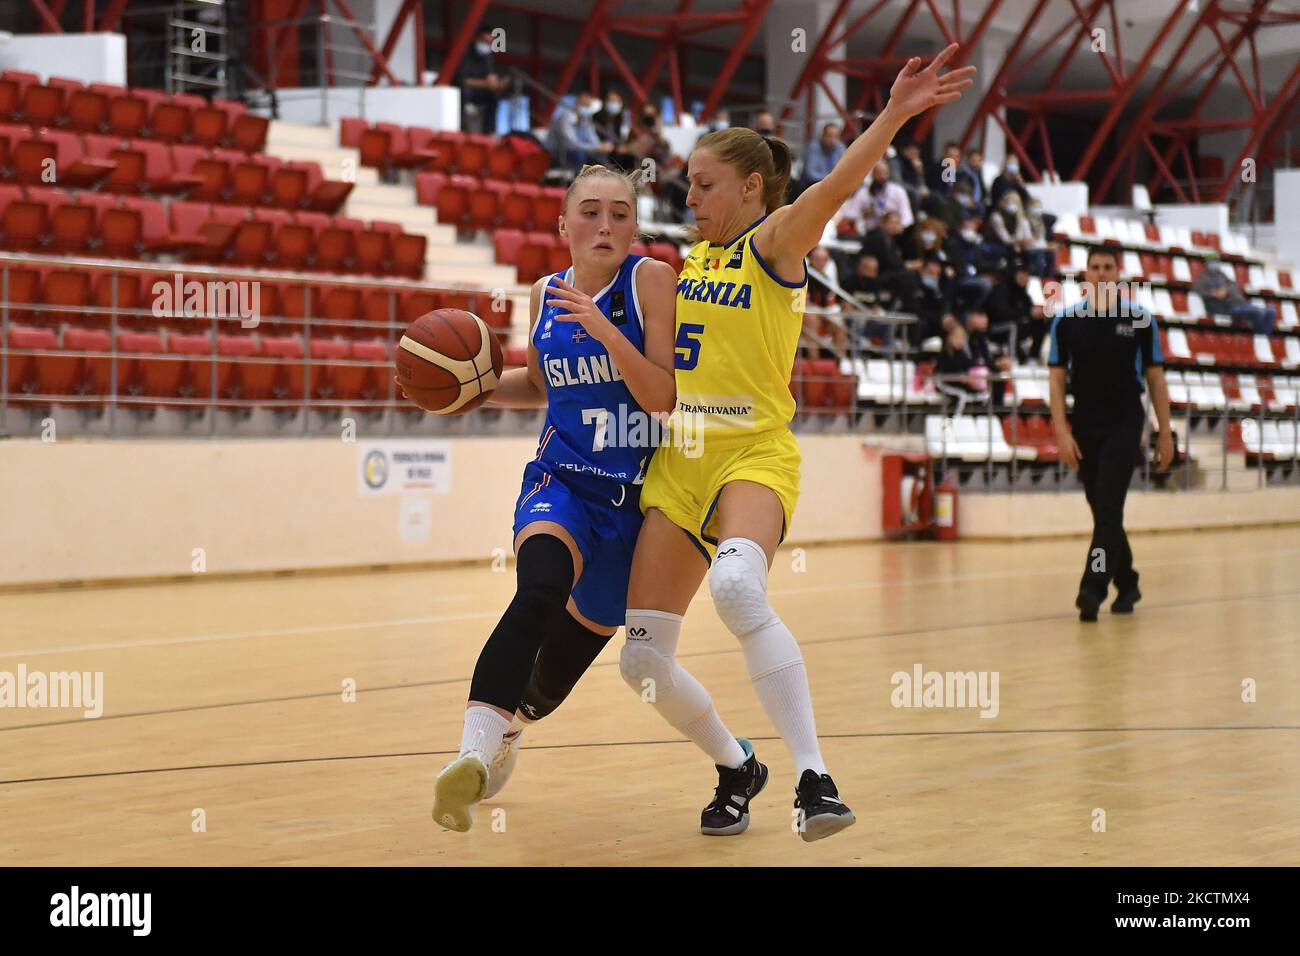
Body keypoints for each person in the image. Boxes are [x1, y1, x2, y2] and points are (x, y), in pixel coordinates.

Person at [617, 44, 974, 841]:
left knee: (739, 592)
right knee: (641, 662)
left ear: (750, 187)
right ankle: (737, 764)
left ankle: (815, 778)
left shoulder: (775, 243)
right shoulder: (689, 260)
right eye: (686, 184)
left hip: (752, 454)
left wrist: (893, 114)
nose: (689, 195)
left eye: (703, 184)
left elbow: (836, 187)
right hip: (680, 465)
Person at [426, 165, 678, 832]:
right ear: (563, 226)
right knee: (536, 593)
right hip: (559, 480)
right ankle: (469, 760)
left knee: (547, 686)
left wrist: (603, 328)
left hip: (630, 503)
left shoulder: (650, 280)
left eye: (621, 213)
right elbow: (541, 384)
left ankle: (511, 730)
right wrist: (468, 389)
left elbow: (661, 396)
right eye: (590, 212)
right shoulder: (545, 292)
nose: (606, 225)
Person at [1048, 246, 1174, 622]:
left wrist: (1164, 434)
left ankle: (1093, 585)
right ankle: (1129, 581)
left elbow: (1155, 379)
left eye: (1108, 267)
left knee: (1106, 508)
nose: (1101, 273)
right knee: (1104, 512)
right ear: (1085, 274)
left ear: (1119, 274)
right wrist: (1060, 431)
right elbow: (1055, 380)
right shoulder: (1066, 322)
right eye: (1095, 267)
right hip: (1085, 423)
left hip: (1124, 422)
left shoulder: (1139, 319)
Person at [1192, 264, 1276, 335]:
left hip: (1237, 304)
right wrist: (1213, 293)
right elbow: (1196, 290)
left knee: (1271, 311)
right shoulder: (1202, 278)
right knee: (1256, 312)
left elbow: (1233, 284)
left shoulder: (1221, 275)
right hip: (1224, 308)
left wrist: (1225, 290)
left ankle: (1264, 337)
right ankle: (1262, 338)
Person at [454, 28, 506, 134]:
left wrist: (496, 84)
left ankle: (489, 131)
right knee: (465, 92)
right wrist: (485, 84)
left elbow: (489, 76)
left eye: (490, 42)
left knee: (494, 97)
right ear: (476, 38)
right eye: (485, 41)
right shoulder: (464, 54)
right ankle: (461, 127)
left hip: (478, 92)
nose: (487, 45)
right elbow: (462, 80)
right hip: (461, 91)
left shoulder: (487, 57)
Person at [840, 160, 914, 233]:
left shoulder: (898, 191)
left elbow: (907, 215)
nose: (882, 177)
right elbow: (851, 214)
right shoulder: (864, 193)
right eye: (879, 173)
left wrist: (898, 225)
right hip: (872, 232)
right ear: (873, 175)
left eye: (885, 173)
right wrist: (863, 215)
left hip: (895, 233)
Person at [545, 92, 613, 172]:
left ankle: (605, 177)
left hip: (576, 151)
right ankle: (578, 180)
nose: (586, 108)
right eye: (584, 105)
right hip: (557, 153)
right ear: (576, 104)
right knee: (581, 155)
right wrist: (596, 148)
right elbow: (571, 144)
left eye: (588, 106)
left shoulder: (585, 119)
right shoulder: (565, 118)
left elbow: (592, 138)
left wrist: (601, 147)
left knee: (601, 154)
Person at [800, 123, 845, 194]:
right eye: (829, 136)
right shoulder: (813, 146)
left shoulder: (840, 147)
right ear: (823, 136)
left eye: (836, 136)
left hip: (831, 186)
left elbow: (842, 171)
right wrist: (831, 179)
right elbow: (810, 174)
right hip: (811, 187)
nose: (832, 140)